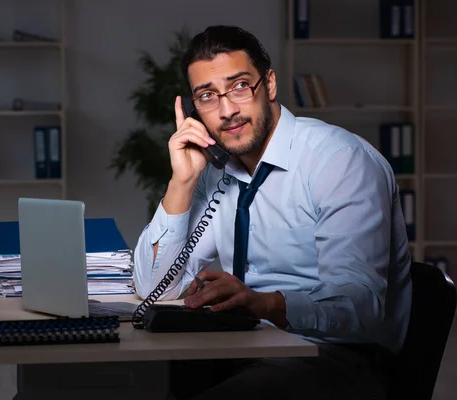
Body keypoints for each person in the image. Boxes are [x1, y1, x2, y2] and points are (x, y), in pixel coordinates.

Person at [132, 25, 412, 400]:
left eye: (240, 86)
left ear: (270, 84)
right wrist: (181, 182)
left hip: (335, 358)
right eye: (208, 96)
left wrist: (264, 304)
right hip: (241, 349)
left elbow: (361, 306)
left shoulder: (340, 161)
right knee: (120, 383)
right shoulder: (214, 171)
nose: (227, 110)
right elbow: (152, 288)